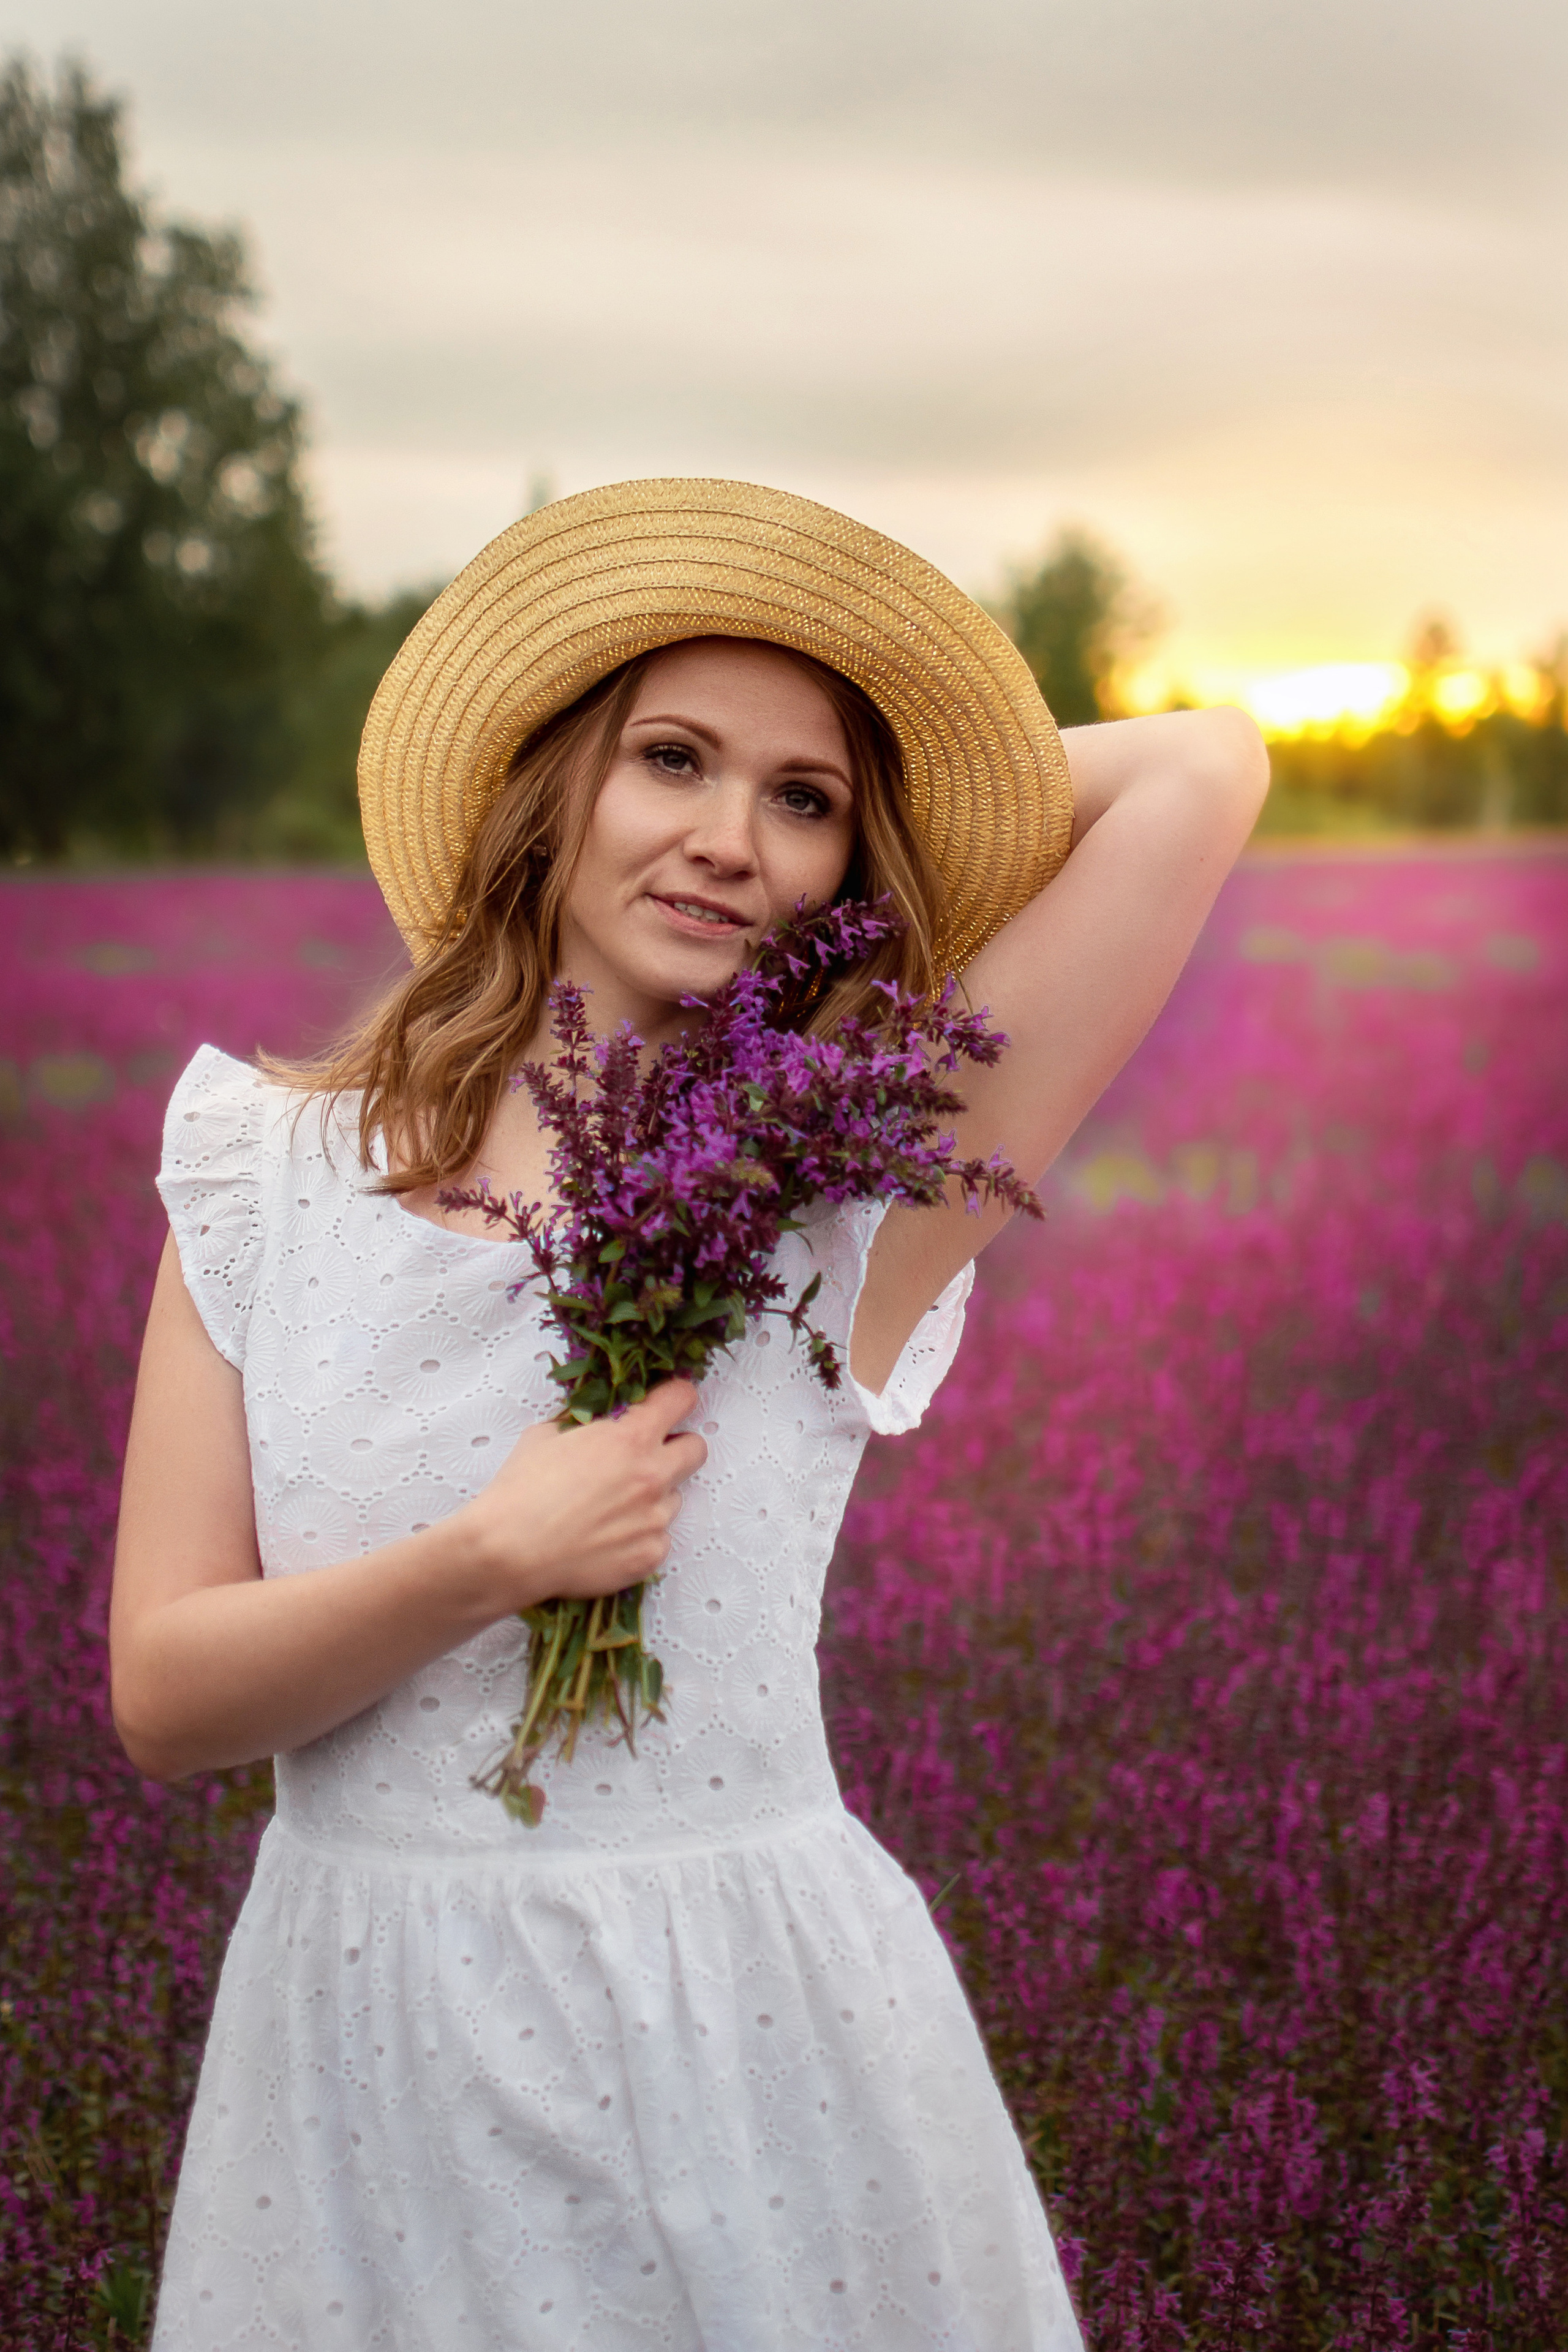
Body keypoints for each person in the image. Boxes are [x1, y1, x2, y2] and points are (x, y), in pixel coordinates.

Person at [111, 480, 1267, 2350]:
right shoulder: (262, 1174)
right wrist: (488, 1558)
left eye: (801, 801)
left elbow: (1199, 772)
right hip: (365, 2042)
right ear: (552, 783)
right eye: (670, 760)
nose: (730, 841)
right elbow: (165, 1693)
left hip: (747, 2040)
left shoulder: (844, 1196)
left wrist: (914, 846)